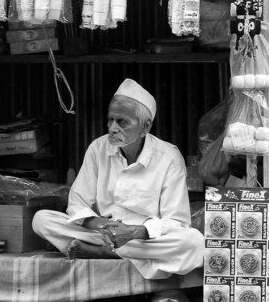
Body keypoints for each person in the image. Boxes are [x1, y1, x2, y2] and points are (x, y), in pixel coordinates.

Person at [32, 78, 204, 279]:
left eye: (122, 122)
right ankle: (114, 252)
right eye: (110, 120)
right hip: (102, 233)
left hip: (143, 238)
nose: (113, 127)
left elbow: (175, 221)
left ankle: (104, 254)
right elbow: (77, 204)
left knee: (193, 243)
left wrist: (131, 232)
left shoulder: (168, 157)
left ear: (145, 127)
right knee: (41, 219)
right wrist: (106, 228)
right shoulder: (98, 148)